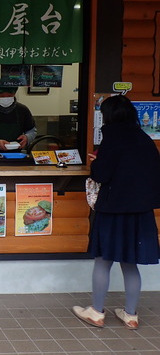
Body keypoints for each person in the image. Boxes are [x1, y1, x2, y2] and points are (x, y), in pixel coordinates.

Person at [72, 94, 160, 330]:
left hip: (112, 210)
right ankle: (131, 315)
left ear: (109, 116)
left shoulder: (112, 137)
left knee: (103, 261)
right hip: (140, 212)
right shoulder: (145, 139)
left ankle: (96, 312)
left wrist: (94, 162)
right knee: (131, 263)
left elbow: (101, 174)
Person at [0, 86, 37, 155]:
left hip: (16, 155)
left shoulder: (22, 110)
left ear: (14, 94)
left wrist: (27, 138)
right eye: (1, 96)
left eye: (9, 96)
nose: (5, 98)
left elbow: (32, 130)